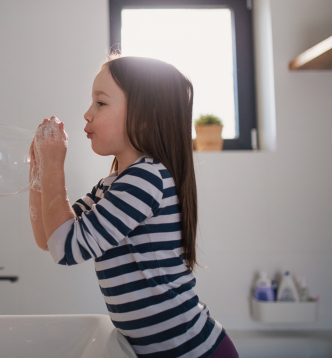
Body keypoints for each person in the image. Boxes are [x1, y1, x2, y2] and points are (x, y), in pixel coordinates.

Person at [27, 55, 239, 358]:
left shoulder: (146, 179)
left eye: (100, 103)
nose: (87, 114)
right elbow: (49, 238)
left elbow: (66, 248)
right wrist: (38, 171)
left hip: (196, 352)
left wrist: (53, 169)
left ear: (143, 116)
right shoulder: (112, 184)